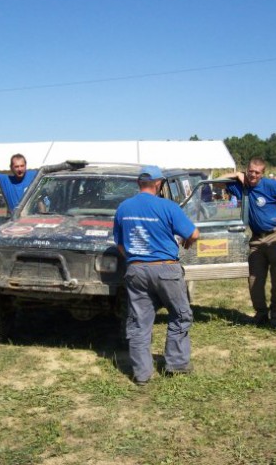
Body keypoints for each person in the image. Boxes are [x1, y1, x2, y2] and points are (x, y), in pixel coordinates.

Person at [113, 165, 199, 386]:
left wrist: (136, 258)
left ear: (138, 183)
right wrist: (188, 241)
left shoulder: (123, 208)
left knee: (139, 322)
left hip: (136, 269)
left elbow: (120, 244)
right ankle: (177, 364)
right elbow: (194, 233)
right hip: (166, 268)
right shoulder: (167, 206)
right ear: (159, 184)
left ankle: (142, 373)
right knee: (180, 314)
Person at [217, 158, 276, 327]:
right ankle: (261, 313)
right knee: (254, 279)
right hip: (255, 238)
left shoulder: (270, 185)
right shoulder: (242, 186)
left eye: (257, 172)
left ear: (262, 174)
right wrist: (236, 174)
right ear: (246, 170)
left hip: (275, 236)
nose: (253, 175)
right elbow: (216, 183)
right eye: (250, 171)